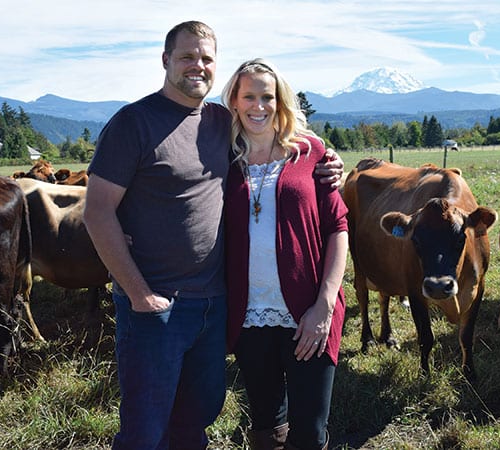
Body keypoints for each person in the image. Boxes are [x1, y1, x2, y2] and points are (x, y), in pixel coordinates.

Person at [83, 22, 344, 450]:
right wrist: (138, 293)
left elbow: (325, 206)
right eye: (187, 56)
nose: (197, 66)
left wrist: (333, 164)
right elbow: (97, 211)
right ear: (166, 60)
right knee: (145, 429)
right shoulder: (135, 123)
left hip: (215, 304)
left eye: (206, 58)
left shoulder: (224, 124)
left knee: (198, 418)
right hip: (158, 304)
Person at [223, 58, 349, 450]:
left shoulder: (310, 152)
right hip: (247, 315)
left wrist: (324, 306)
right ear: (234, 101)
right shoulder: (220, 158)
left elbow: (337, 228)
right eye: (249, 97)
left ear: (281, 102)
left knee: (309, 432)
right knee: (264, 423)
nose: (258, 106)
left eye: (267, 97)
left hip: (307, 312)